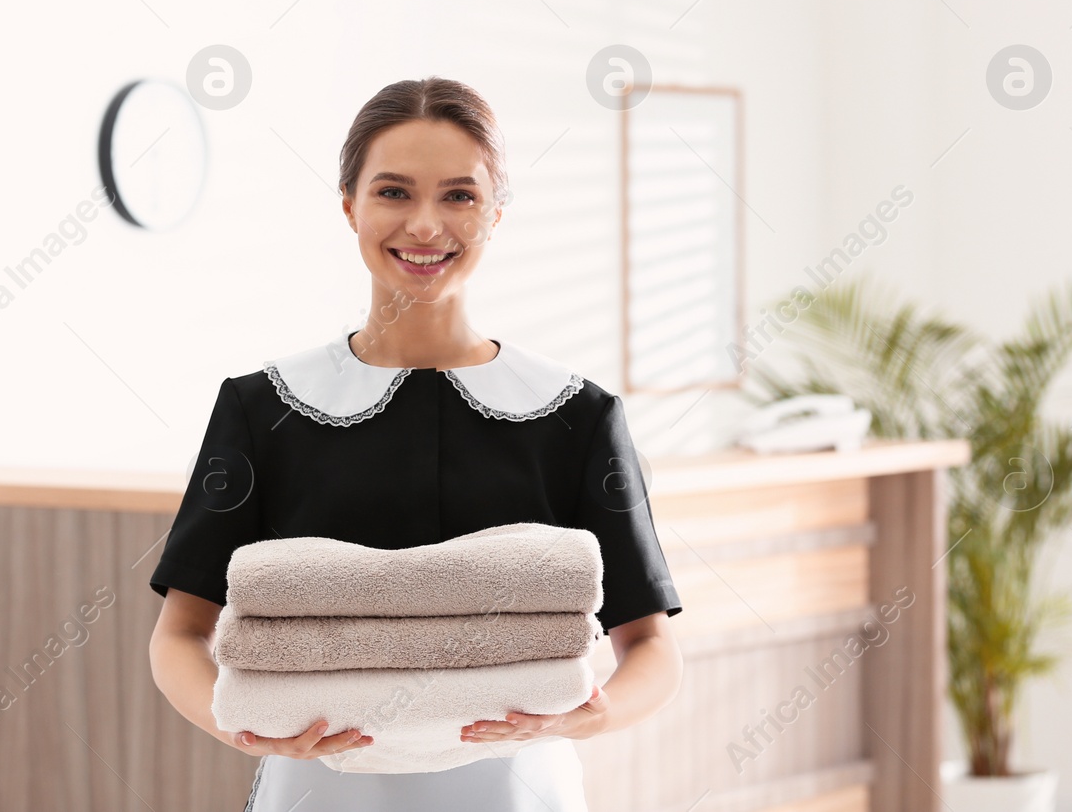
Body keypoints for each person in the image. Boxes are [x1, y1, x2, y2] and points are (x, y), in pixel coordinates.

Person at [148, 76, 684, 811]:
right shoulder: (262, 405)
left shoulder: (575, 413)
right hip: (317, 787)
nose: (426, 225)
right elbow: (179, 633)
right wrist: (243, 725)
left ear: (497, 212)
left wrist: (593, 712)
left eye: (459, 195)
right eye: (394, 192)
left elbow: (651, 646)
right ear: (350, 207)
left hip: (517, 788)